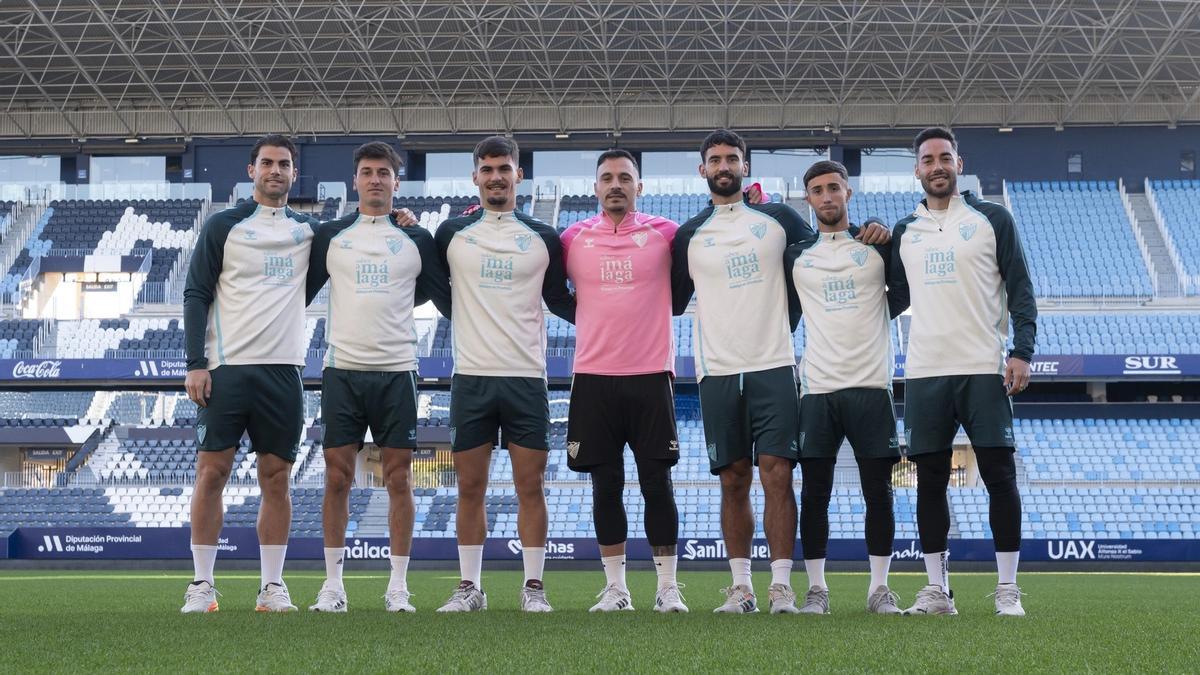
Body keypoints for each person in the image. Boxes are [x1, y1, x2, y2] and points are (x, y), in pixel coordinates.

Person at [672, 129, 891, 614]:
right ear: (703, 169)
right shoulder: (689, 234)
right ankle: (741, 588)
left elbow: (829, 246)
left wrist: (871, 229)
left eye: (732, 158)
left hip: (773, 366)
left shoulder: (779, 220)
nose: (724, 166)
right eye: (715, 159)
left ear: (745, 166)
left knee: (778, 474)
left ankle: (781, 587)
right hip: (717, 372)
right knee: (733, 479)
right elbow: (668, 299)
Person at [888, 126, 1037, 617]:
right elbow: (891, 299)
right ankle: (937, 591)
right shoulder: (905, 231)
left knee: (999, 476)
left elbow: (1020, 287)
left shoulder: (992, 219)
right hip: (925, 372)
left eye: (944, 157)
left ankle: (1008, 589)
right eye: (928, 159)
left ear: (959, 163)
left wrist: (1022, 351)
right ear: (917, 170)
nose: (937, 166)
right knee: (929, 482)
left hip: (982, 367)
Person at [304, 142, 451, 613]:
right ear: (355, 180)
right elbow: (296, 292)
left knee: (399, 478)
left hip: (397, 371)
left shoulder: (417, 238)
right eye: (367, 172)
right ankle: (333, 586)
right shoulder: (331, 235)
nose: (374, 179)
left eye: (383, 173)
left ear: (396, 181)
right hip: (342, 371)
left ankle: (398, 587)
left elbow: (438, 296)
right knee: (336, 478)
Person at [433, 135, 575, 613]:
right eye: (488, 169)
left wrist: (616, 315)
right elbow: (436, 288)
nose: (496, 177)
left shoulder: (543, 237)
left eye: (505, 168)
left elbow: (559, 299)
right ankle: (469, 588)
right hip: (471, 378)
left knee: (530, 487)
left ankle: (533, 588)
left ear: (519, 175)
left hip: (526, 378)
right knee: (470, 488)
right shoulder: (451, 234)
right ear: (475, 176)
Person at [181, 134, 319, 613]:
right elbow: (196, 293)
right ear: (251, 170)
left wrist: (401, 220)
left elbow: (355, 239)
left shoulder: (309, 231)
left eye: (284, 164)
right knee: (211, 473)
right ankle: (201, 585)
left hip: (283, 372)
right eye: (267, 163)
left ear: (294, 173)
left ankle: (272, 587)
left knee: (276, 477)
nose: (275, 170)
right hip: (226, 370)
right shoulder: (224, 225)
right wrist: (195, 363)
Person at [560, 149, 687, 613]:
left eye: (625, 177)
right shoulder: (572, 239)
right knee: (605, 485)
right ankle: (616, 589)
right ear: (595, 187)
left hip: (650, 375)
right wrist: (587, 317)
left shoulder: (667, 234)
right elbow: (552, 291)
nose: (616, 184)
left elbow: (685, 286)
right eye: (607, 177)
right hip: (594, 377)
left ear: (639, 186)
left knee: (658, 484)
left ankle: (667, 588)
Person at [785, 161, 903, 615]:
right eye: (817, 190)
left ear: (847, 193)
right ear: (808, 199)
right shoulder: (797, 256)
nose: (827, 196)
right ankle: (817, 590)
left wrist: (882, 231)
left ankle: (879, 589)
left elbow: (902, 296)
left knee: (879, 493)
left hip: (871, 385)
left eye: (834, 188)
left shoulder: (877, 246)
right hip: (818, 389)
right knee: (815, 494)